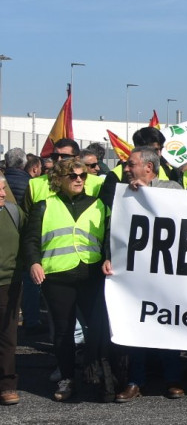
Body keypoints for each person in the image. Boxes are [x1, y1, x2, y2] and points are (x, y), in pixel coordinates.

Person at [23, 158, 114, 402]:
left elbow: (109, 238)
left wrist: (108, 257)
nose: (78, 179)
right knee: (63, 332)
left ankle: (98, 374)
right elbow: (30, 239)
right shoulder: (44, 205)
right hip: (57, 277)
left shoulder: (99, 205)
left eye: (82, 176)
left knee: (98, 329)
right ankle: (67, 377)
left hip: (91, 276)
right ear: (59, 179)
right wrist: (34, 262)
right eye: (72, 176)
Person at [114, 147, 187, 403]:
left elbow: (182, 208)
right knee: (138, 324)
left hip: (167, 272)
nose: (126, 169)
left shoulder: (170, 186)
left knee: (167, 323)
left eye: (131, 164)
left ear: (148, 167)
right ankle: (135, 381)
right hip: (137, 273)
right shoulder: (123, 193)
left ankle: (173, 379)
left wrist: (146, 192)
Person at [0, 174, 23, 405]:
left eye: (3, 188)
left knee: (7, 334)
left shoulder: (12, 212)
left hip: (8, 282)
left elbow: (28, 238)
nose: (3, 193)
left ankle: (7, 385)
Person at [3, 149, 31, 215]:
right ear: (25, 163)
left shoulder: (2, 181)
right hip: (24, 220)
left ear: (6, 163)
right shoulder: (31, 183)